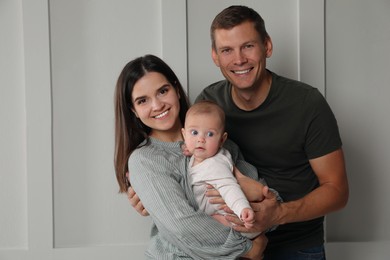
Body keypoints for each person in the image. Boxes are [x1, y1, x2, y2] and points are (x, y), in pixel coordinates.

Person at [128, 5, 349, 260]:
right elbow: (185, 188)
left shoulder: (306, 104)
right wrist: (150, 197)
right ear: (215, 56)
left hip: (295, 244)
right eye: (226, 50)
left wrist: (276, 212)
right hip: (236, 246)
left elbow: (337, 191)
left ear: (267, 46)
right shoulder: (210, 103)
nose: (239, 59)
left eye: (248, 46)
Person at [114, 54, 268, 259]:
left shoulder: (219, 142)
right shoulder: (144, 160)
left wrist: (255, 190)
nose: (157, 105)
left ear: (176, 90)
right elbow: (182, 226)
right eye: (143, 100)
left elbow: (270, 206)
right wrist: (248, 249)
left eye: (163, 91)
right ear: (133, 110)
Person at [181, 100, 260, 238]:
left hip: (233, 219)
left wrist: (243, 209)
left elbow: (229, 188)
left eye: (210, 134)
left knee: (211, 225)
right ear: (184, 135)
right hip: (211, 214)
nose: (200, 139)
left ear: (222, 140)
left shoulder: (215, 165)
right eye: (194, 132)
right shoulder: (198, 155)